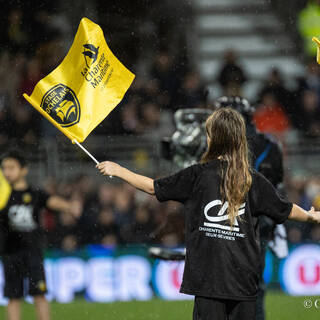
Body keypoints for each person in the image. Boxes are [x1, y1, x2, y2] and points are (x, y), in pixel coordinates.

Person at [97, 107, 320, 320]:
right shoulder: (253, 180)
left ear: (213, 139)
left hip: (208, 280)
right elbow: (286, 209)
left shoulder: (198, 175)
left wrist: (118, 170)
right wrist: (311, 216)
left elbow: (152, 187)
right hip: (244, 280)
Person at [0, 150, 79, 320]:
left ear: (24, 170)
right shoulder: (2, 195)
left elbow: (51, 201)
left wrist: (69, 206)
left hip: (32, 251)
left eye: (11, 167)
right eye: (4, 168)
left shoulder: (35, 193)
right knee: (13, 297)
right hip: (10, 251)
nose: (7, 172)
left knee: (39, 294)